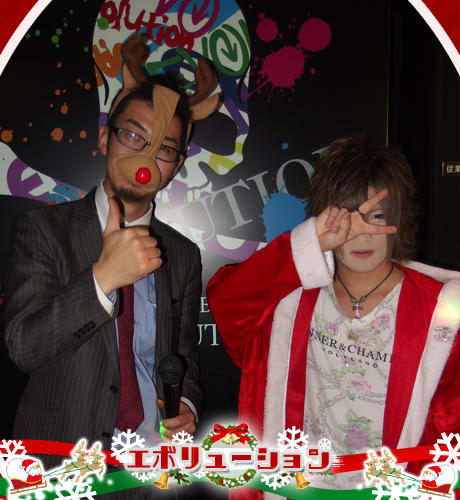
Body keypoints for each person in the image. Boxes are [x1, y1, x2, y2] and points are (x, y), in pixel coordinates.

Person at [5, 35, 219, 485]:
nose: (145, 155)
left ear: (176, 165)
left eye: (164, 148)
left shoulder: (182, 254)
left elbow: (183, 355)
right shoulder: (42, 230)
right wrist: (103, 279)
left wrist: (187, 404)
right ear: (105, 138)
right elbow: (24, 347)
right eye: (133, 135)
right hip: (61, 465)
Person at [207, 135, 460, 494]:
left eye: (376, 217)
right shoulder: (291, 300)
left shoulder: (441, 311)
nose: (361, 234)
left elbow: (450, 427)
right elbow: (227, 303)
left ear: (398, 219)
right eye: (347, 219)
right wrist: (307, 243)